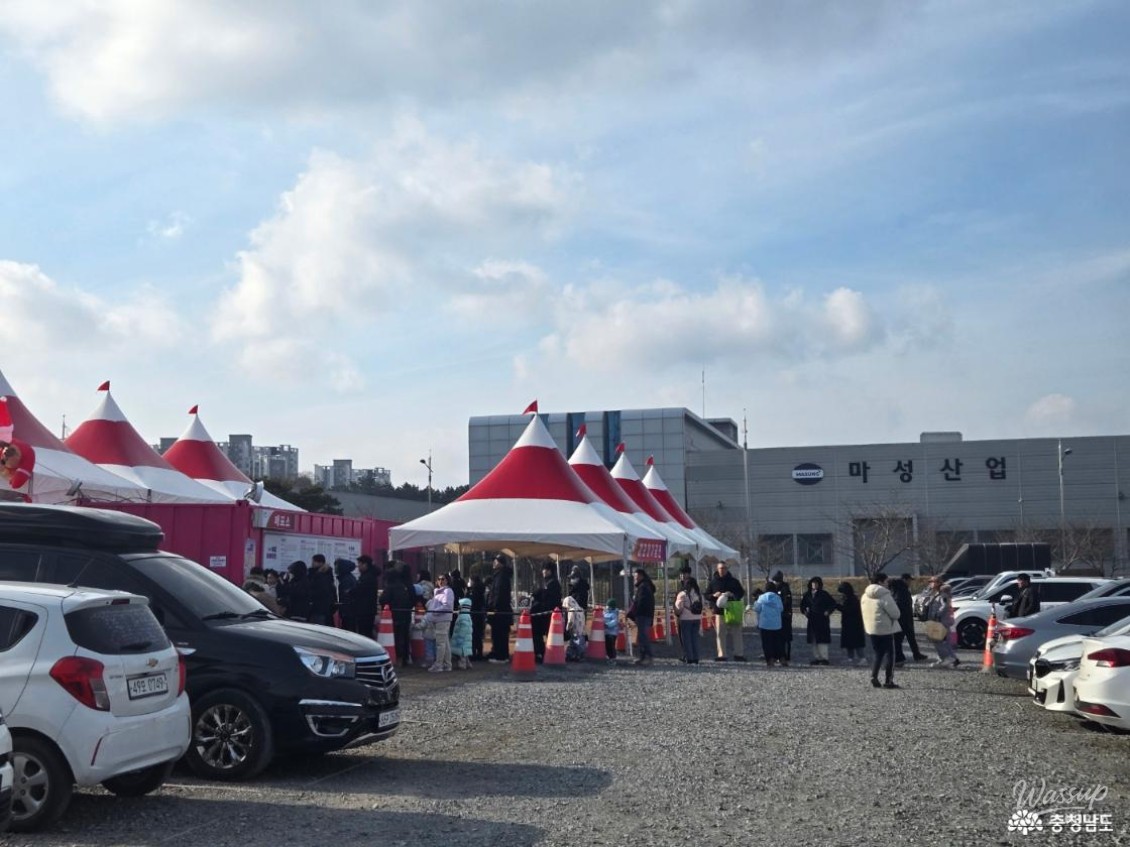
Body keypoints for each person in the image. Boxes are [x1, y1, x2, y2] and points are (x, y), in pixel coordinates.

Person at [861, 572, 903, 689]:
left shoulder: (865, 595)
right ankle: (888, 681)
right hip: (885, 629)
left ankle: (873, 676)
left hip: (871, 629)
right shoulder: (885, 595)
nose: (888, 584)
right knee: (890, 654)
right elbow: (896, 614)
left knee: (878, 653)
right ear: (880, 582)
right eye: (886, 581)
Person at [706, 561, 746, 661]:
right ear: (717, 569)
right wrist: (713, 596)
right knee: (720, 633)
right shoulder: (713, 582)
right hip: (719, 611)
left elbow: (741, 592)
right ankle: (722, 654)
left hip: (733, 610)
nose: (722, 570)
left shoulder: (734, 581)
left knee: (736, 632)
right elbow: (706, 595)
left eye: (724, 568)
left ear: (727, 569)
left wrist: (732, 594)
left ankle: (739, 654)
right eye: (720, 568)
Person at [382, 561, 415, 667]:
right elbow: (412, 598)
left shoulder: (392, 586)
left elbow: (384, 599)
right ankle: (405, 657)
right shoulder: (407, 584)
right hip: (406, 613)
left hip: (394, 614)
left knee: (396, 636)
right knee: (404, 636)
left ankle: (398, 657)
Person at [529, 563, 563, 663]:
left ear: (550, 571)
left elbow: (548, 598)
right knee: (544, 634)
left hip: (547, 614)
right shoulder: (548, 582)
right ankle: (544, 653)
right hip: (546, 613)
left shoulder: (552, 584)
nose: (543, 571)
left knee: (544, 634)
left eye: (545, 569)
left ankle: (543, 653)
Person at [890, 574, 927, 665]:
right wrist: (904, 618)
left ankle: (916, 654)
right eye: (909, 580)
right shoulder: (901, 590)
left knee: (910, 638)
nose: (910, 582)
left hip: (904, 619)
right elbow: (901, 605)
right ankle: (899, 658)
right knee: (899, 640)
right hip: (903, 620)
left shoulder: (898, 589)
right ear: (904, 580)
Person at [925, 578, 960, 668]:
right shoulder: (937, 593)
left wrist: (937, 614)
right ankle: (952, 659)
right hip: (941, 621)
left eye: (933, 582)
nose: (931, 584)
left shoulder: (943, 593)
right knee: (945, 641)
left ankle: (946, 658)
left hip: (942, 621)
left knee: (938, 640)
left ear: (938, 583)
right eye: (930, 582)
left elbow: (945, 606)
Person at [800, 577, 836, 665]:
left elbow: (833, 604)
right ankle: (817, 657)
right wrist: (805, 612)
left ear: (819, 585)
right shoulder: (807, 595)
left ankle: (824, 658)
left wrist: (828, 611)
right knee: (814, 640)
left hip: (822, 619)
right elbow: (802, 605)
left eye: (816, 583)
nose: (814, 585)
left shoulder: (824, 594)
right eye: (813, 583)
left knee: (822, 640)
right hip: (812, 619)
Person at [486, 555, 514, 663]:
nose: (494, 562)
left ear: (500, 563)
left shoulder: (501, 576)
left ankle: (501, 656)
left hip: (500, 610)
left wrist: (494, 607)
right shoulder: (500, 575)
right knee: (499, 634)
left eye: (496, 560)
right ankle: (501, 654)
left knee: (500, 634)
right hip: (502, 610)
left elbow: (498, 593)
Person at [674, 565, 703, 665]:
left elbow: (678, 607)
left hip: (686, 618)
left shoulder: (683, 593)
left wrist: (677, 613)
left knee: (686, 639)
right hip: (697, 617)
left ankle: (689, 658)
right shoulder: (697, 591)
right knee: (694, 638)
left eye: (682, 574)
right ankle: (696, 658)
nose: (681, 576)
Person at [626, 568, 655, 666]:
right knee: (643, 636)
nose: (635, 579)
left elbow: (641, 603)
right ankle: (644, 657)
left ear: (641, 576)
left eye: (636, 577)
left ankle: (647, 657)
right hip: (647, 615)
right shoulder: (647, 586)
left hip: (643, 615)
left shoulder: (643, 588)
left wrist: (635, 613)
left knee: (643, 637)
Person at [426, 574, 455, 672]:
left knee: (440, 643)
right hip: (438, 620)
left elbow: (447, 606)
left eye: (443, 579)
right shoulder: (437, 592)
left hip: (442, 620)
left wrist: (434, 611)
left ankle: (439, 665)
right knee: (445, 643)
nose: (441, 581)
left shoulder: (448, 591)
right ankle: (447, 664)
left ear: (447, 581)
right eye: (439, 579)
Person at [754, 581, 785, 667]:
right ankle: (782, 658)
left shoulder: (761, 598)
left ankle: (770, 660)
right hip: (776, 624)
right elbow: (781, 609)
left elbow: (757, 609)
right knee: (778, 643)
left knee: (767, 643)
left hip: (764, 625)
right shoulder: (777, 598)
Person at [349, 554, 380, 639]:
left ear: (365, 564)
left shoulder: (367, 577)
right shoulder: (370, 576)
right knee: (366, 632)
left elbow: (359, 590)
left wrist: (350, 592)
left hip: (364, 610)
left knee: (364, 633)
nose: (358, 567)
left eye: (359, 565)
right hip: (367, 609)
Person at [836, 582, 866, 665]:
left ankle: (862, 659)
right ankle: (851, 658)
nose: (841, 595)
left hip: (854, 625)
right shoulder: (852, 598)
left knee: (856, 643)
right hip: (851, 625)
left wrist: (837, 606)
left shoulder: (852, 599)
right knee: (851, 643)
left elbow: (848, 610)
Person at [772, 570, 794, 662]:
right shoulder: (775, 589)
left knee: (785, 637)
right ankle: (778, 654)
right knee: (778, 636)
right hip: (777, 616)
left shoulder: (785, 589)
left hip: (785, 615)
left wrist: (778, 607)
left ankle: (785, 655)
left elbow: (787, 602)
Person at [308, 554, 336, 626]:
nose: (312, 563)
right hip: (320, 608)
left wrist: (318, 574)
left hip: (320, 608)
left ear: (321, 563)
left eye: (314, 561)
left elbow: (320, 590)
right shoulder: (313, 573)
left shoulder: (322, 575)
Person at [468, 572, 487, 660]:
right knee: (479, 635)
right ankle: (479, 653)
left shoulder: (474, 591)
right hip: (480, 615)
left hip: (474, 614)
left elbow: (472, 602)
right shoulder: (481, 590)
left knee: (474, 635)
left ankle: (474, 653)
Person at [334, 558, 358, 631]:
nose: (335, 568)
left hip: (348, 611)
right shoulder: (348, 578)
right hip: (349, 610)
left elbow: (346, 596)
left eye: (336, 566)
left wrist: (343, 610)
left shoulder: (346, 580)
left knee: (348, 629)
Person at [451, 597, 474, 669]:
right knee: (465, 654)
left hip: (462, 638)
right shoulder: (467, 615)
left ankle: (462, 664)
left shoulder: (463, 616)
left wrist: (460, 637)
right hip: (466, 638)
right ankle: (468, 663)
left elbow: (464, 627)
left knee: (462, 653)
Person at [603, 599, 621, 664]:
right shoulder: (605, 613)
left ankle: (613, 658)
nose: (607, 608)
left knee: (611, 645)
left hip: (612, 633)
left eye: (609, 606)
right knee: (607, 645)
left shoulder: (614, 614)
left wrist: (607, 625)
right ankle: (609, 657)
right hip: (606, 632)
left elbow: (614, 622)